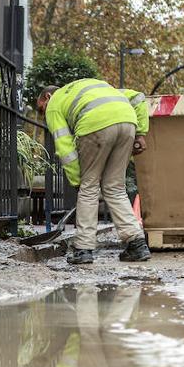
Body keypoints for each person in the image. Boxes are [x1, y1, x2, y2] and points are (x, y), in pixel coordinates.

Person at [37, 80, 151, 264]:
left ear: (48, 97)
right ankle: (137, 244)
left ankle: (83, 249)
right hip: (127, 121)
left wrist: (77, 181)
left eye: (41, 110)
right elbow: (138, 97)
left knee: (88, 187)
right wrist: (140, 133)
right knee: (115, 187)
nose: (43, 115)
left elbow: (65, 148)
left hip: (94, 124)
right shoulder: (92, 86)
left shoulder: (55, 103)